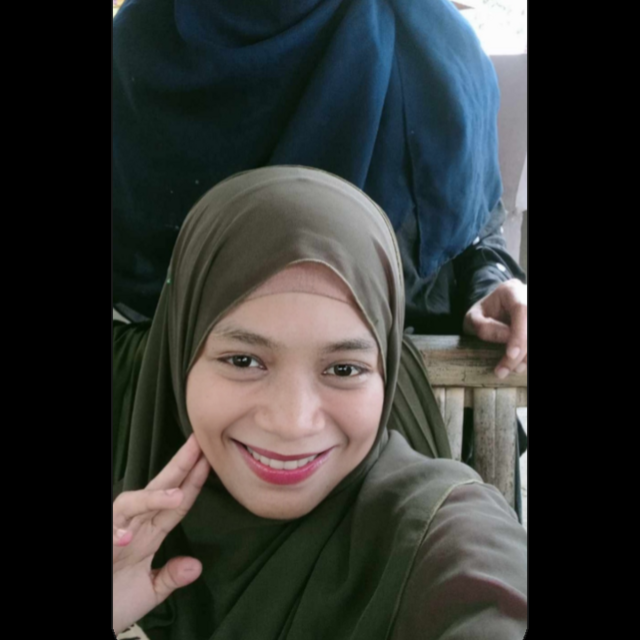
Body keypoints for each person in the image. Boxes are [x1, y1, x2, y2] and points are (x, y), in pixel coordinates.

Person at [113, 166, 526, 639]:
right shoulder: (131, 539)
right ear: (179, 356)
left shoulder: (438, 533)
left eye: (344, 369)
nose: (292, 423)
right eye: (244, 360)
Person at [112, 0, 527, 380]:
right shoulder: (137, 46)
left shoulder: (429, 44)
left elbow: (471, 225)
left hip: (398, 401)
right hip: (178, 403)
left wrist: (491, 283)